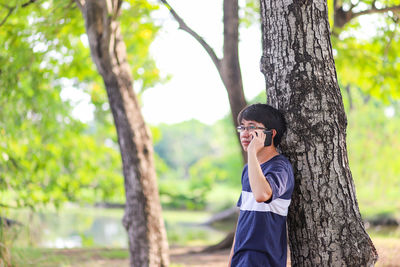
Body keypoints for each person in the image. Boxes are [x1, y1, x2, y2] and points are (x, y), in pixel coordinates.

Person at [228, 103, 294, 267]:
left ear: (270, 134)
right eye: (242, 128)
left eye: (252, 128)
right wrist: (230, 262)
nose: (244, 133)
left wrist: (251, 151)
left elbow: (262, 195)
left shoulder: (280, 167)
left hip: (264, 259)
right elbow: (243, 219)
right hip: (241, 258)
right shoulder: (248, 170)